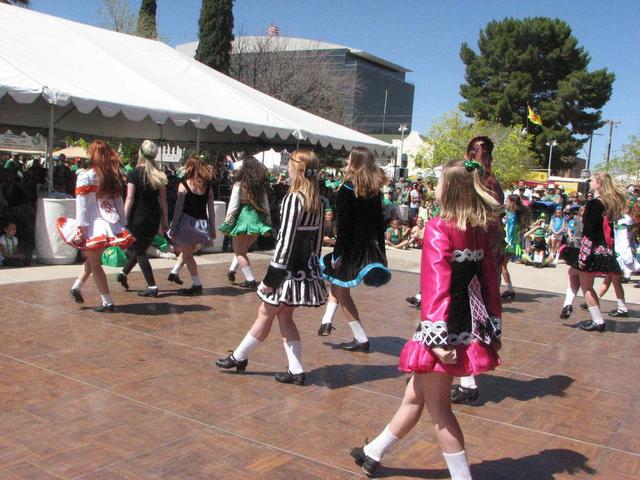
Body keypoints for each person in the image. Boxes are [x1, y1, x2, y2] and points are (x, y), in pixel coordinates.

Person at [351, 159, 502, 479]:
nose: (435, 187)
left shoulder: (439, 227)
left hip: (443, 330)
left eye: (439, 182)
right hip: (468, 326)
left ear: (449, 189)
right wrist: (491, 326)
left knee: (440, 411)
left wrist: (436, 340)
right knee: (413, 396)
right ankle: (372, 452)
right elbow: (490, 281)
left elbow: (435, 286)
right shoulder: (479, 229)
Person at [215, 149, 327, 385]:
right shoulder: (316, 201)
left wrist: (271, 278)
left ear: (296, 170)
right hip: (303, 270)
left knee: (266, 313)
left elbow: (284, 242)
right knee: (285, 317)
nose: (286, 167)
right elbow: (316, 242)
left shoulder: (293, 200)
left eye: (289, 164)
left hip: (285, 272)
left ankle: (239, 356)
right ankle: (294, 370)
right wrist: (312, 269)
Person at [317, 147, 391, 346]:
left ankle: (361, 339)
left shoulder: (347, 189)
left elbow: (344, 227)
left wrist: (337, 254)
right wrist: (382, 254)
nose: (347, 159)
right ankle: (326, 321)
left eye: (350, 157)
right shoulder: (374, 191)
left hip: (349, 250)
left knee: (342, 293)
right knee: (336, 282)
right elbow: (379, 225)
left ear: (355, 161)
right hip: (366, 248)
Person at [57, 140, 134, 312]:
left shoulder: (86, 176)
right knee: (93, 259)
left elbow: (82, 206)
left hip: (93, 225)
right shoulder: (111, 176)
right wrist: (122, 224)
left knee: (95, 262)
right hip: (109, 223)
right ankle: (76, 287)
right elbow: (119, 204)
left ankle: (107, 302)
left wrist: (81, 229)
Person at [559, 173, 627, 331]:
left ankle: (598, 320)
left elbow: (589, 232)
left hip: (592, 251)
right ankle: (568, 304)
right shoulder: (608, 204)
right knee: (572, 272)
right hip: (603, 250)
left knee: (587, 287)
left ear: (598, 184)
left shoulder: (594, 204)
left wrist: (584, 255)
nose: (590, 182)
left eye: (592, 180)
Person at [116, 140, 169, 297]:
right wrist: (165, 220)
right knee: (141, 247)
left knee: (139, 250)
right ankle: (123, 273)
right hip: (153, 218)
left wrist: (123, 221)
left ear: (140, 153)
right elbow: (163, 200)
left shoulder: (133, 173)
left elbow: (130, 199)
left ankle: (152, 287)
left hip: (137, 218)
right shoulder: (159, 175)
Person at [218, 157, 272, 288]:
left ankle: (250, 279)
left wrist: (228, 220)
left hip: (242, 219)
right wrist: (268, 221)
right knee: (243, 249)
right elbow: (265, 204)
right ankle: (231, 270)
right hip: (257, 220)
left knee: (239, 251)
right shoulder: (260, 186)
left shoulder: (239, 184)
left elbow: (234, 204)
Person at [168, 156, 216, 296]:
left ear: (189, 167)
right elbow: (211, 210)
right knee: (188, 251)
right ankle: (175, 272)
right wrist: (212, 229)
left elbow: (178, 209)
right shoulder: (208, 187)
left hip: (186, 223)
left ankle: (197, 283)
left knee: (188, 254)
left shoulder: (183, 184)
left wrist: (173, 227)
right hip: (201, 223)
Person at [501, 194, 530, 299]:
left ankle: (510, 290)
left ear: (512, 202)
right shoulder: (515, 214)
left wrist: (507, 242)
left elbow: (510, 230)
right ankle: (509, 289)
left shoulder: (512, 215)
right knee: (502, 266)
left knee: (502, 266)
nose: (505, 203)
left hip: (509, 243)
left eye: (507, 201)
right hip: (513, 243)